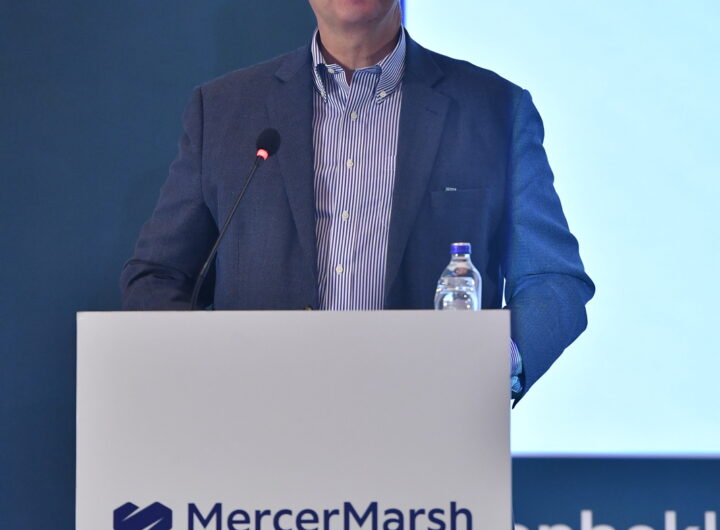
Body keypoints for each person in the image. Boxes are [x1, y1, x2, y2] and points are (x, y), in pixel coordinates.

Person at [120, 0, 594, 401]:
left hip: (427, 428)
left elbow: (552, 279)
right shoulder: (225, 110)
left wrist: (486, 367)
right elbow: (158, 275)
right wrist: (205, 373)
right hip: (258, 423)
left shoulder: (493, 108)